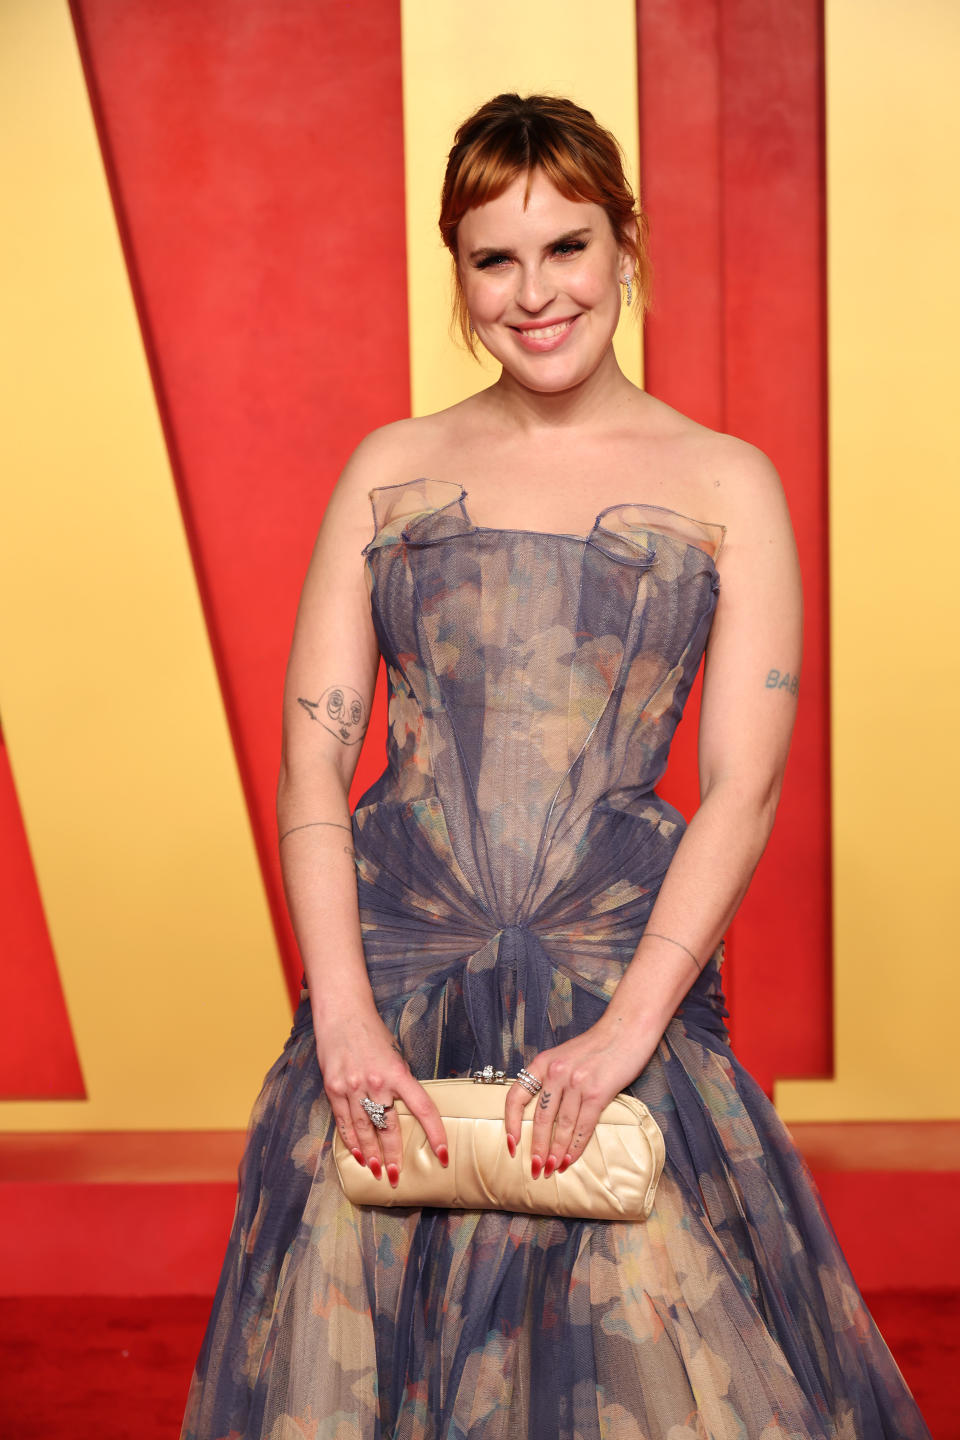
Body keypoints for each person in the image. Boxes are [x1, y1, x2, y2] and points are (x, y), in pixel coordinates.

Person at [181, 94, 931, 1439]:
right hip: (389, 990)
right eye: (495, 259)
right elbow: (313, 764)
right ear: (457, 275)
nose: (536, 294)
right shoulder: (391, 468)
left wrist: (627, 1032)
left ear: (626, 249)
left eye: (567, 248)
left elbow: (743, 790)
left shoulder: (724, 482)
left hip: (615, 987)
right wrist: (341, 1018)